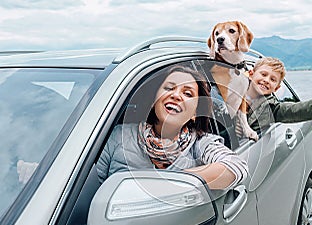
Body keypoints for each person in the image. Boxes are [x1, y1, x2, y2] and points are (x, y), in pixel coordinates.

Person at [97, 65, 248, 190]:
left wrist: (166, 186)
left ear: (195, 113)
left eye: (187, 93)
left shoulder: (201, 143)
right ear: (154, 101)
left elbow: (236, 167)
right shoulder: (117, 135)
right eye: (169, 88)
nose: (176, 96)